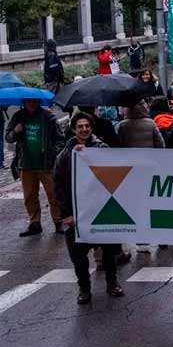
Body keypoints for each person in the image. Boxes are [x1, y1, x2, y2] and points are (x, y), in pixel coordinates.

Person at [54, 113, 124, 304]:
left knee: (109, 252)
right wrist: (66, 214)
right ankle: (84, 289)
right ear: (73, 129)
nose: (84, 129)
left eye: (87, 126)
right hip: (76, 215)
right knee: (78, 257)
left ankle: (112, 284)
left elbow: (114, 173)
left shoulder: (103, 149)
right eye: (80, 126)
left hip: (100, 210)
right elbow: (58, 186)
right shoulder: (65, 155)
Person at [4, 98, 64, 236]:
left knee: (53, 195)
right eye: (29, 101)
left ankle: (58, 222)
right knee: (29, 196)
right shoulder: (18, 116)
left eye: (35, 101)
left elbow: (59, 139)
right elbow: (8, 137)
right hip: (26, 163)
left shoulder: (48, 117)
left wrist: (52, 154)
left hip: (46, 164)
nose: (32, 103)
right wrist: (16, 131)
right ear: (24, 102)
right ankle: (34, 223)